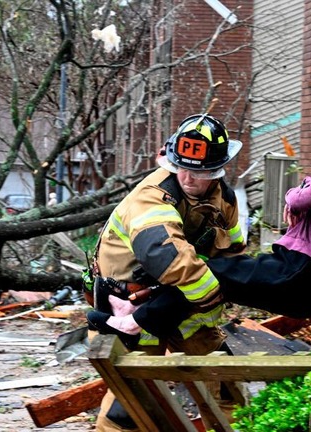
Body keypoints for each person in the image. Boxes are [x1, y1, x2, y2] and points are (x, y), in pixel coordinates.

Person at [86, 113, 245, 431]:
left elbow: (232, 246)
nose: (188, 178)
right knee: (130, 404)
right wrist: (212, 293)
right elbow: (165, 254)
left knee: (225, 384)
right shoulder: (151, 197)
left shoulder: (223, 198)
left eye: (199, 172)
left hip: (182, 301)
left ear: (216, 170)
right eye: (182, 168)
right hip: (131, 305)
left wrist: (224, 276)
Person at [205, 132, 311, 318]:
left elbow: (297, 199)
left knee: (225, 271)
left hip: (304, 271)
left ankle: (189, 271)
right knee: (233, 284)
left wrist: (297, 193)